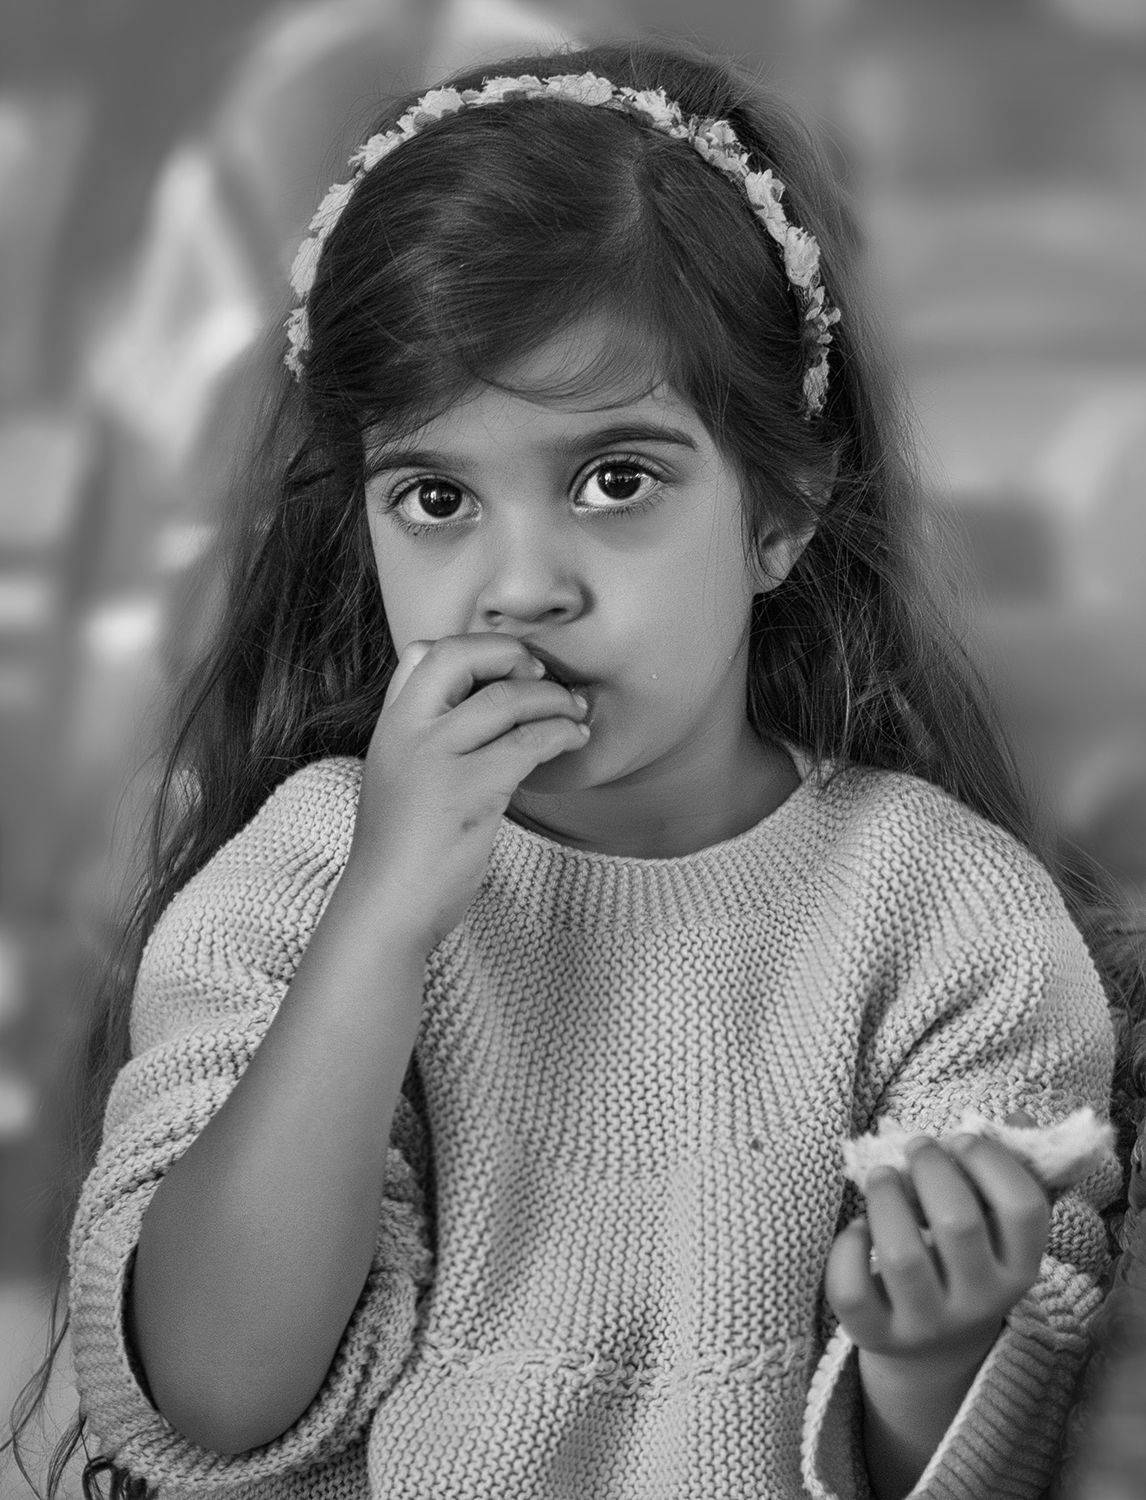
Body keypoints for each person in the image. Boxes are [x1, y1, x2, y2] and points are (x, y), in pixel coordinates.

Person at [5, 36, 1142, 1500]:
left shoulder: (951, 922)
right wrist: (381, 922)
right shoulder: (305, 875)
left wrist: (930, 1358)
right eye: (435, 497)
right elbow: (212, 1399)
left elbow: (994, 1465)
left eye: (615, 480)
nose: (519, 586)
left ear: (780, 515)